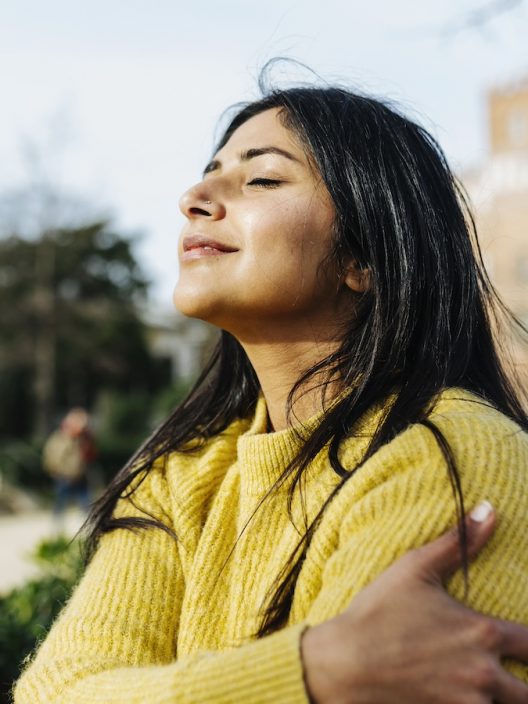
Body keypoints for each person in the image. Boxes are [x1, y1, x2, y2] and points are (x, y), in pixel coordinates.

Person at [14, 82, 528, 703]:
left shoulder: (451, 457)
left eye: (261, 181)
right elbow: (54, 691)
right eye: (208, 174)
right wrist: (311, 672)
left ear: (364, 256)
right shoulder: (177, 479)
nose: (194, 199)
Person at [42, 407, 96, 531]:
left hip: (80, 476)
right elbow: (52, 457)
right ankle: (56, 529)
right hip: (65, 477)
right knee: (60, 504)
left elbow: (91, 455)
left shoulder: (82, 439)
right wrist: (56, 472)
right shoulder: (61, 438)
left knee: (86, 503)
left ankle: (90, 526)